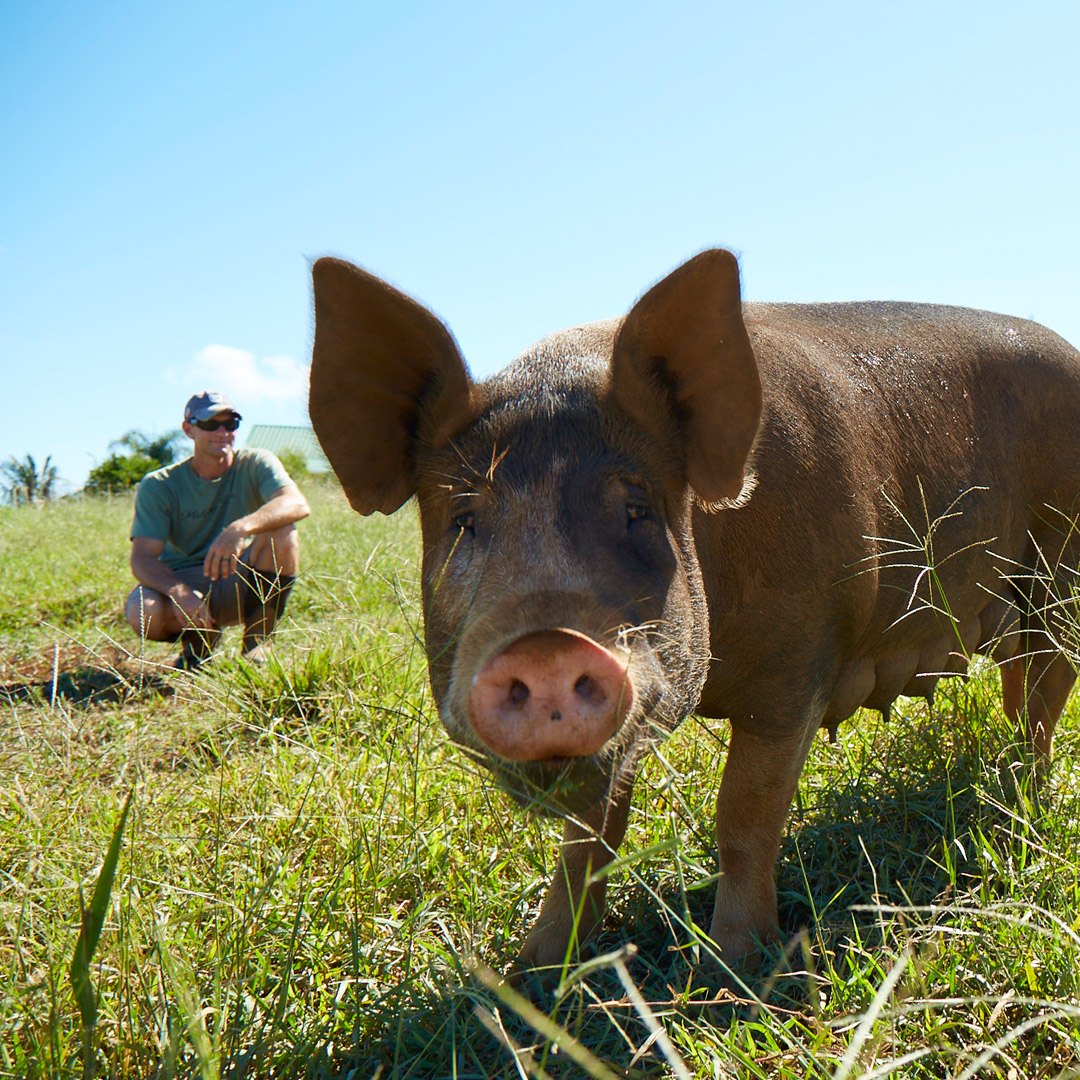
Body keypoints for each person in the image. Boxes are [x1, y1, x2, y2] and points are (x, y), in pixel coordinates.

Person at [124, 391, 311, 669]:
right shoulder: (160, 484)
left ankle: (257, 643)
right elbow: (142, 558)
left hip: (237, 580)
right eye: (211, 424)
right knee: (143, 612)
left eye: (231, 423)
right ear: (189, 429)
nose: (223, 432)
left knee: (283, 532)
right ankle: (199, 646)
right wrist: (179, 592)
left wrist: (239, 528)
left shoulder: (256, 462)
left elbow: (296, 503)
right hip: (184, 585)